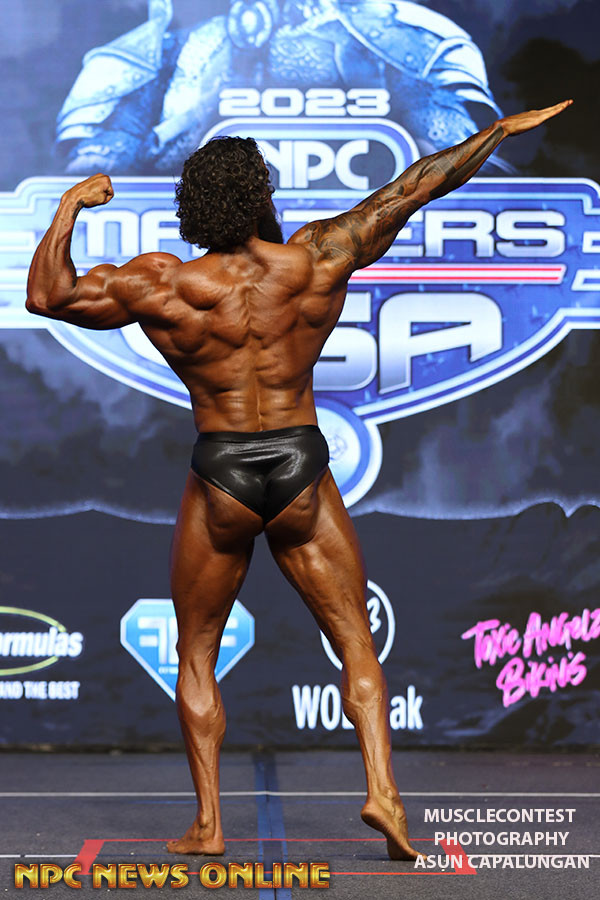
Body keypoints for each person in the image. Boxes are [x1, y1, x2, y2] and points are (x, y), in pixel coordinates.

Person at [26, 100, 571, 861]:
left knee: (196, 652)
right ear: (261, 195)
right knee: (354, 643)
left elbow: (47, 295)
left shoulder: (165, 283)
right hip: (298, 466)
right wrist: (496, 133)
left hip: (221, 470)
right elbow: (416, 187)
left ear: (194, 205)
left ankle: (210, 825)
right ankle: (384, 794)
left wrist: (69, 207)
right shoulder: (315, 258)